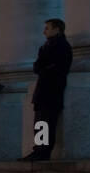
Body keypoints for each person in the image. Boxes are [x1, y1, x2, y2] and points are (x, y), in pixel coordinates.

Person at [23, 18, 72, 161]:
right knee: (39, 122)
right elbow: (37, 66)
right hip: (43, 90)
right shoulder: (46, 46)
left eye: (47, 28)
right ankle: (38, 149)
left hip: (52, 90)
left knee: (46, 122)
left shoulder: (62, 46)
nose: (44, 31)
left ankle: (43, 152)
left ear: (57, 29)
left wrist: (43, 68)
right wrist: (43, 68)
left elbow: (56, 67)